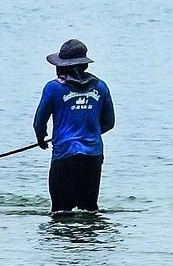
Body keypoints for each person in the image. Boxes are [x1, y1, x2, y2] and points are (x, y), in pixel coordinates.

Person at [34, 40, 115, 213]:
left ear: (61, 67)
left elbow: (39, 121)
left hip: (65, 155)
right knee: (89, 209)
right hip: (93, 156)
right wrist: (89, 132)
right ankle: (88, 238)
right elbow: (109, 123)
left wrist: (41, 137)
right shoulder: (100, 87)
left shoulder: (53, 88)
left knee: (61, 211)